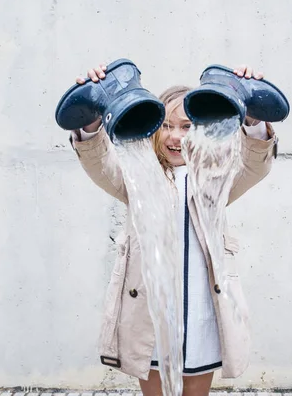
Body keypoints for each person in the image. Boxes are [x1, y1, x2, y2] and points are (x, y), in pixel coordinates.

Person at [69, 63, 278, 396]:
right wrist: (91, 121)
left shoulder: (215, 179)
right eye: (165, 125)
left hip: (201, 314)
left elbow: (254, 165)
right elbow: (100, 164)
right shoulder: (138, 178)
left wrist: (252, 118)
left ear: (204, 129)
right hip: (151, 319)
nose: (175, 136)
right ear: (152, 128)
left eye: (186, 126)